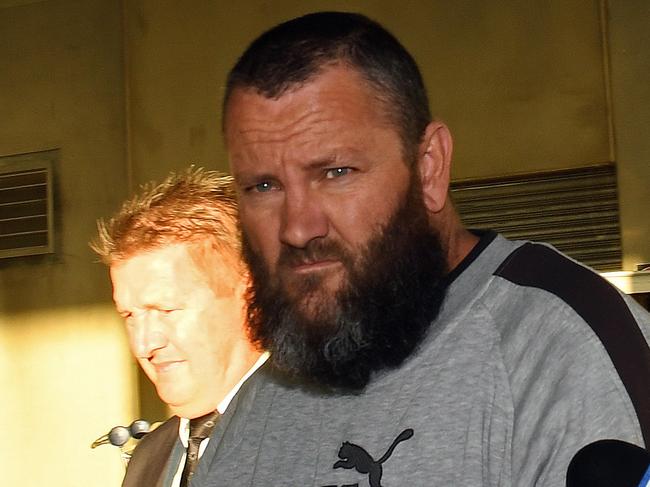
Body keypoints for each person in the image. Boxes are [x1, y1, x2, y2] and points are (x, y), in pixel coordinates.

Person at [193, 12, 650, 486]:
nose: (298, 228)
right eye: (263, 186)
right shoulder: (255, 410)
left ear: (428, 167)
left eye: (336, 173)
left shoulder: (562, 349)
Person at [91, 168, 265, 487]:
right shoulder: (148, 459)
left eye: (165, 309)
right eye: (129, 315)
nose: (144, 345)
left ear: (250, 294)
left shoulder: (334, 438)